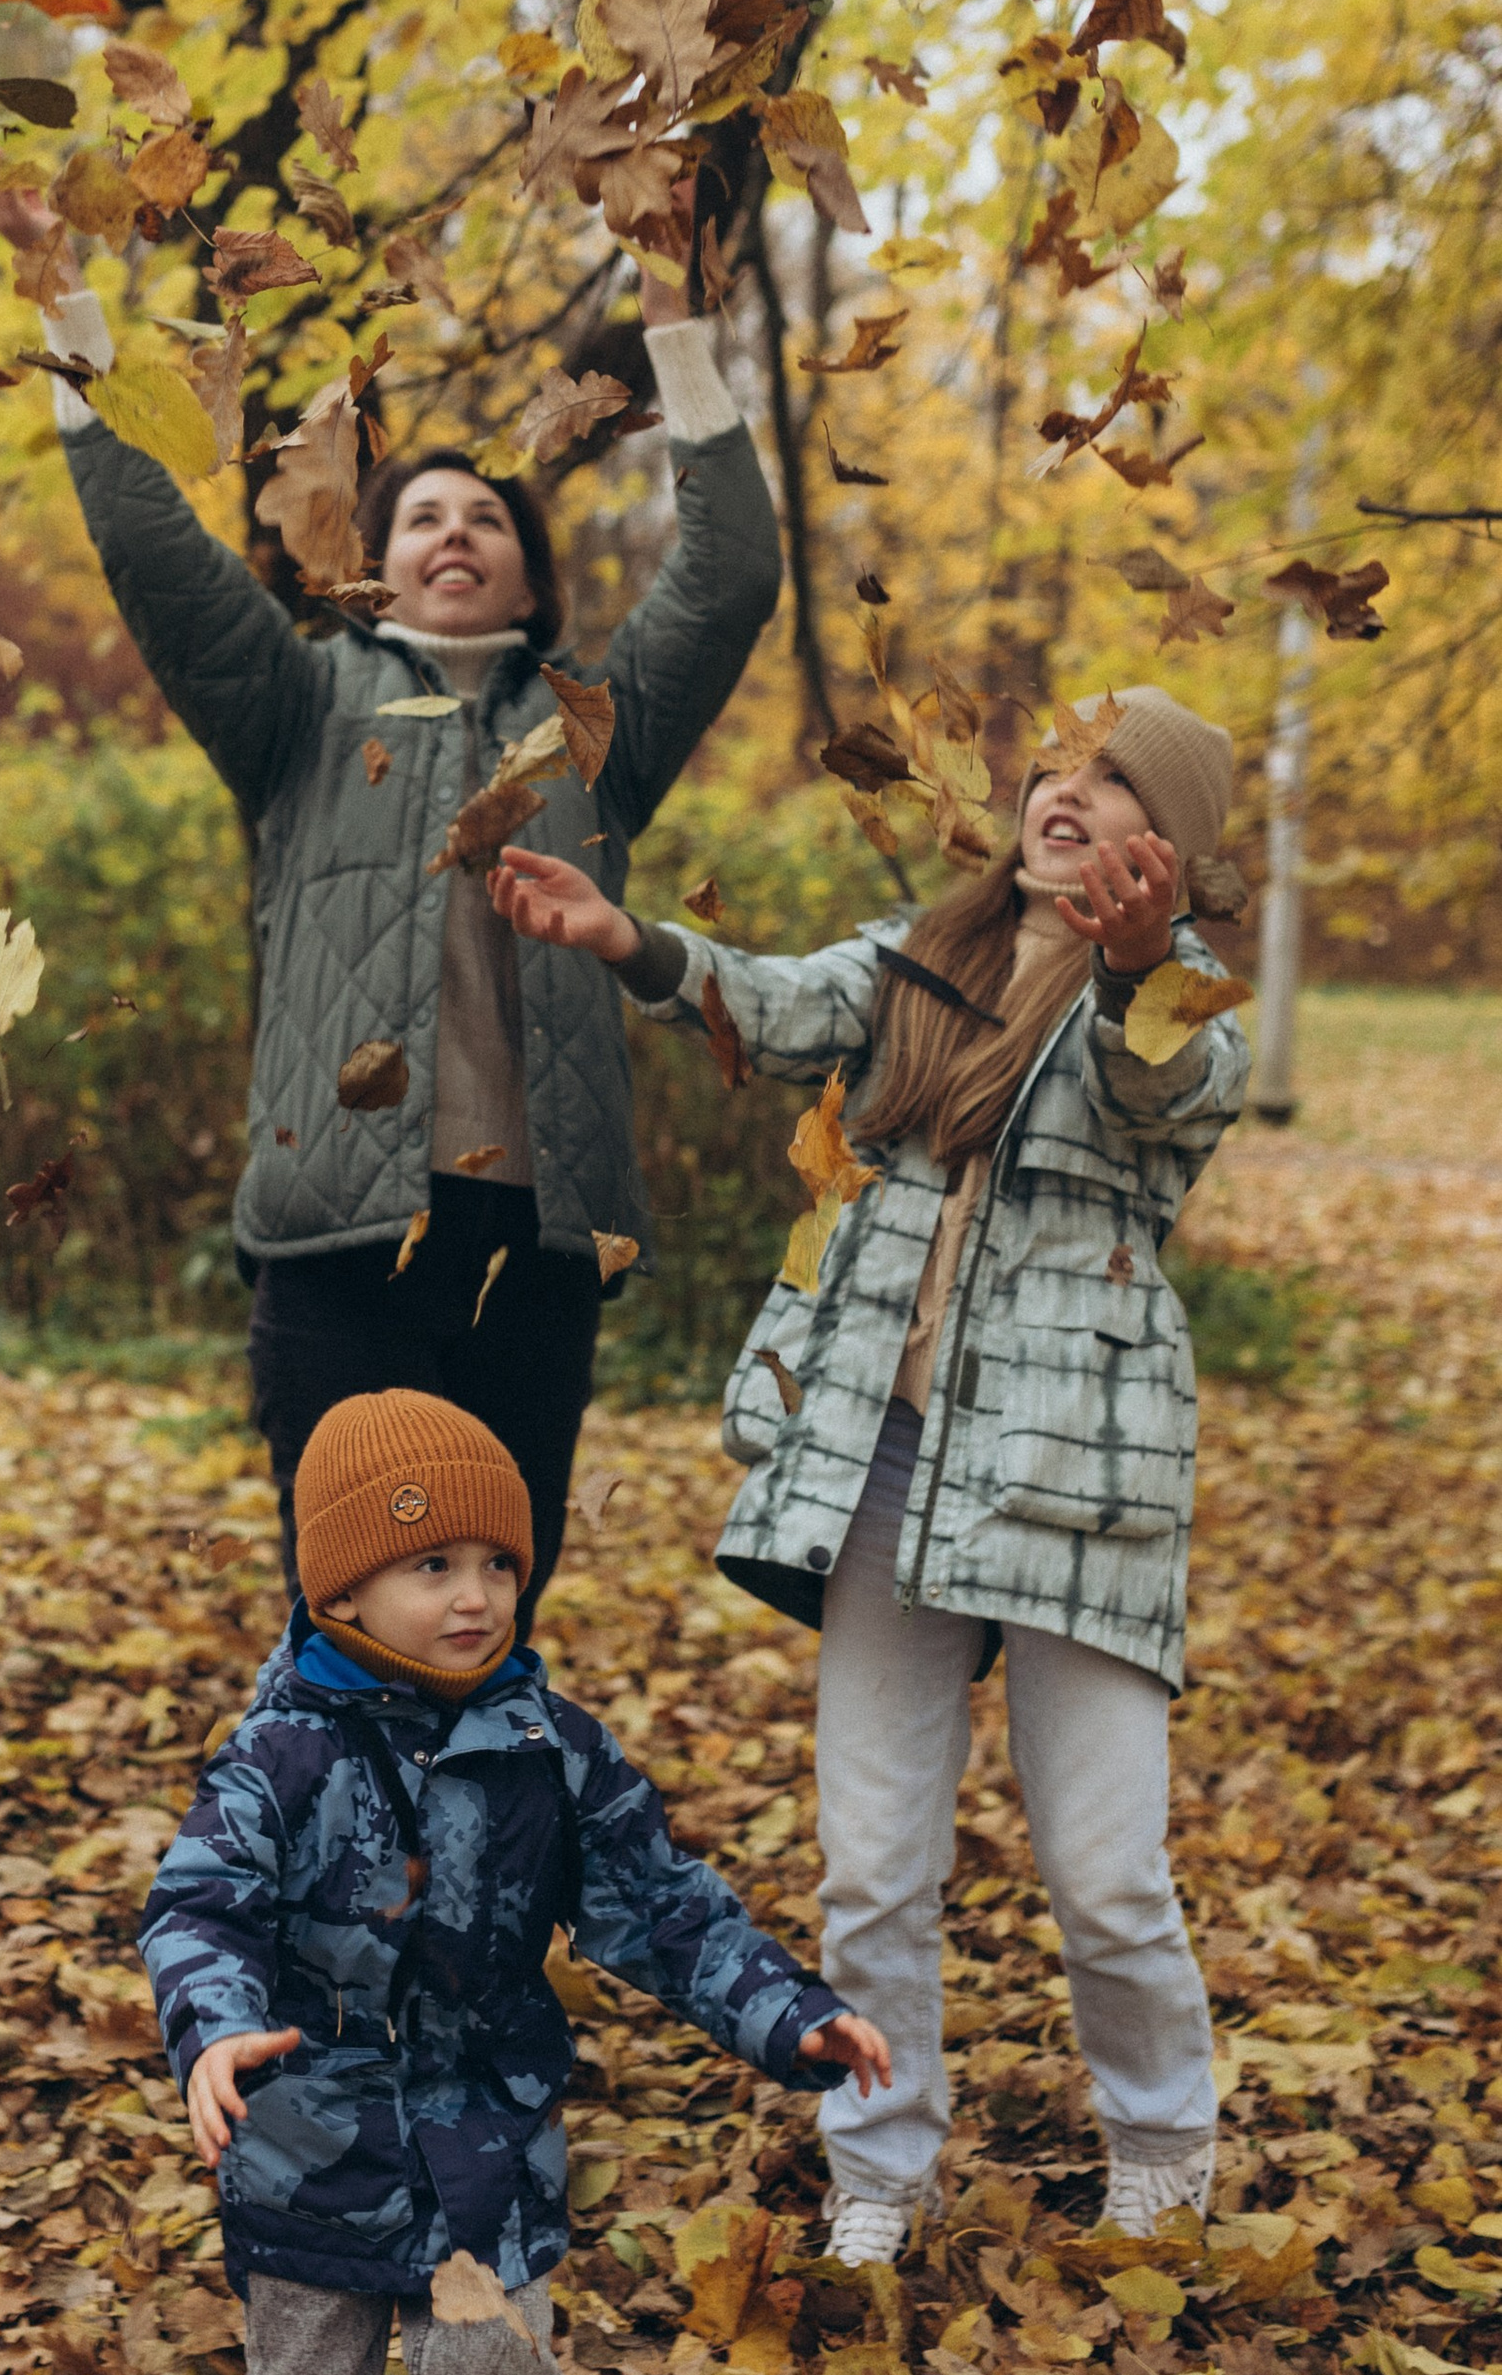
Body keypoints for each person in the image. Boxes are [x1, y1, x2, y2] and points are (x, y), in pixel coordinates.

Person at [490, 685, 1249, 2266]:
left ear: (1167, 847)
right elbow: (774, 1007)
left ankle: (1163, 2149)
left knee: (1108, 1876)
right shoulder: (926, 956)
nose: (1067, 790)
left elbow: (1153, 1093)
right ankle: (881, 2172)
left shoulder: (1182, 1006)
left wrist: (1127, 968)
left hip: (1077, 1486)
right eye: (1061, 763)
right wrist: (627, 941)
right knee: (873, 1867)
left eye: (1115, 781)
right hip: (885, 1465)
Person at [0, 180, 781, 1614]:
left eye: (485, 517)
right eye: (421, 517)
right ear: (374, 565)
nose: (454, 531)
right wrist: (62, 294)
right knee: (350, 1608)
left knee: (489, 1611)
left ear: (529, 578)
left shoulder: (594, 729)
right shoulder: (296, 708)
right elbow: (156, 554)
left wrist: (677, 333)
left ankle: (480, 1782)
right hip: (339, 1242)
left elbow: (727, 582)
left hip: (534, 1247)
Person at [137, 1388, 889, 2375]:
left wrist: (787, 2013)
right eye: (432, 1566)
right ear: (342, 1588)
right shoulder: (281, 1755)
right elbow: (200, 1905)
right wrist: (216, 2026)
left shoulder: (554, 1750)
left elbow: (661, 1905)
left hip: (492, 2133)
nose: (476, 1597)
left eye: (498, 1563)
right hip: (312, 2140)